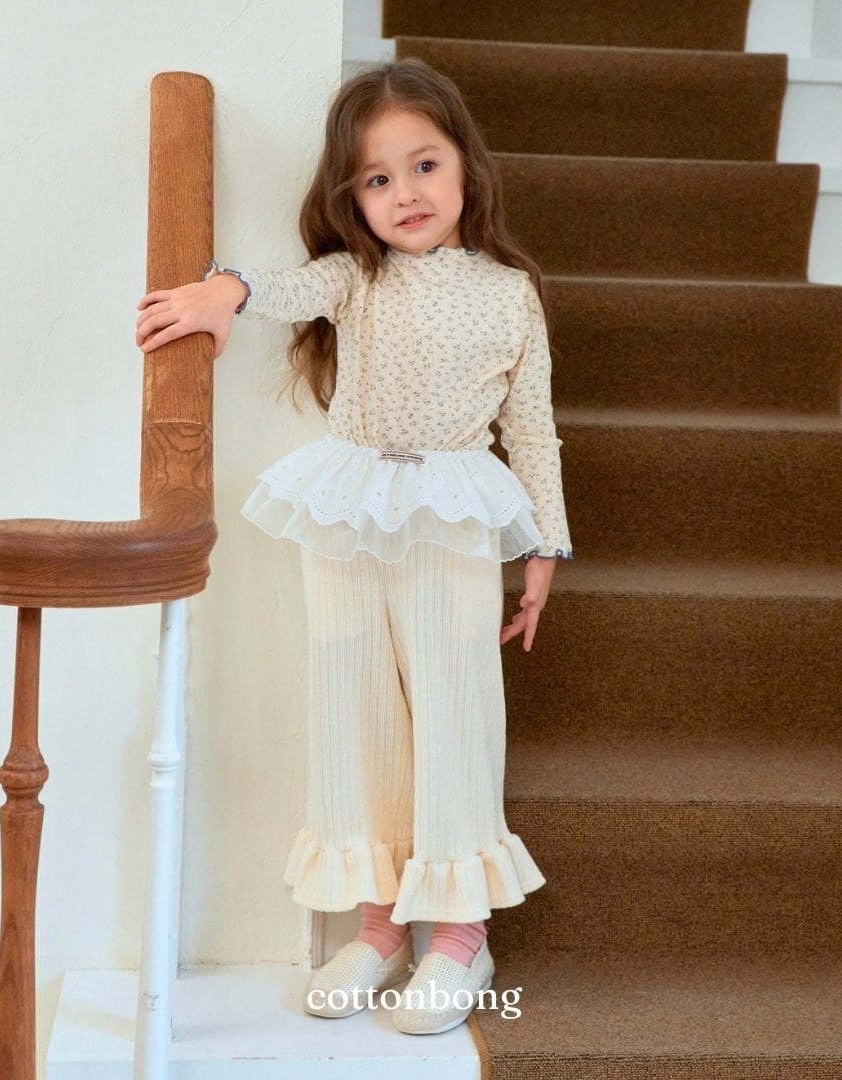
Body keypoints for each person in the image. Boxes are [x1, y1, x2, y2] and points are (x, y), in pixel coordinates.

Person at [134, 56, 573, 1036]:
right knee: (353, 707)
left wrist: (544, 549)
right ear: (354, 198)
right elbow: (282, 285)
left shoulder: (510, 295)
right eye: (378, 178)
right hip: (347, 511)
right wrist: (220, 294)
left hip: (453, 515)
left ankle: (459, 933)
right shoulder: (358, 277)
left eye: (423, 166)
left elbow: (533, 432)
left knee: (454, 708)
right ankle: (378, 926)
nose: (405, 193)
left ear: (466, 167)